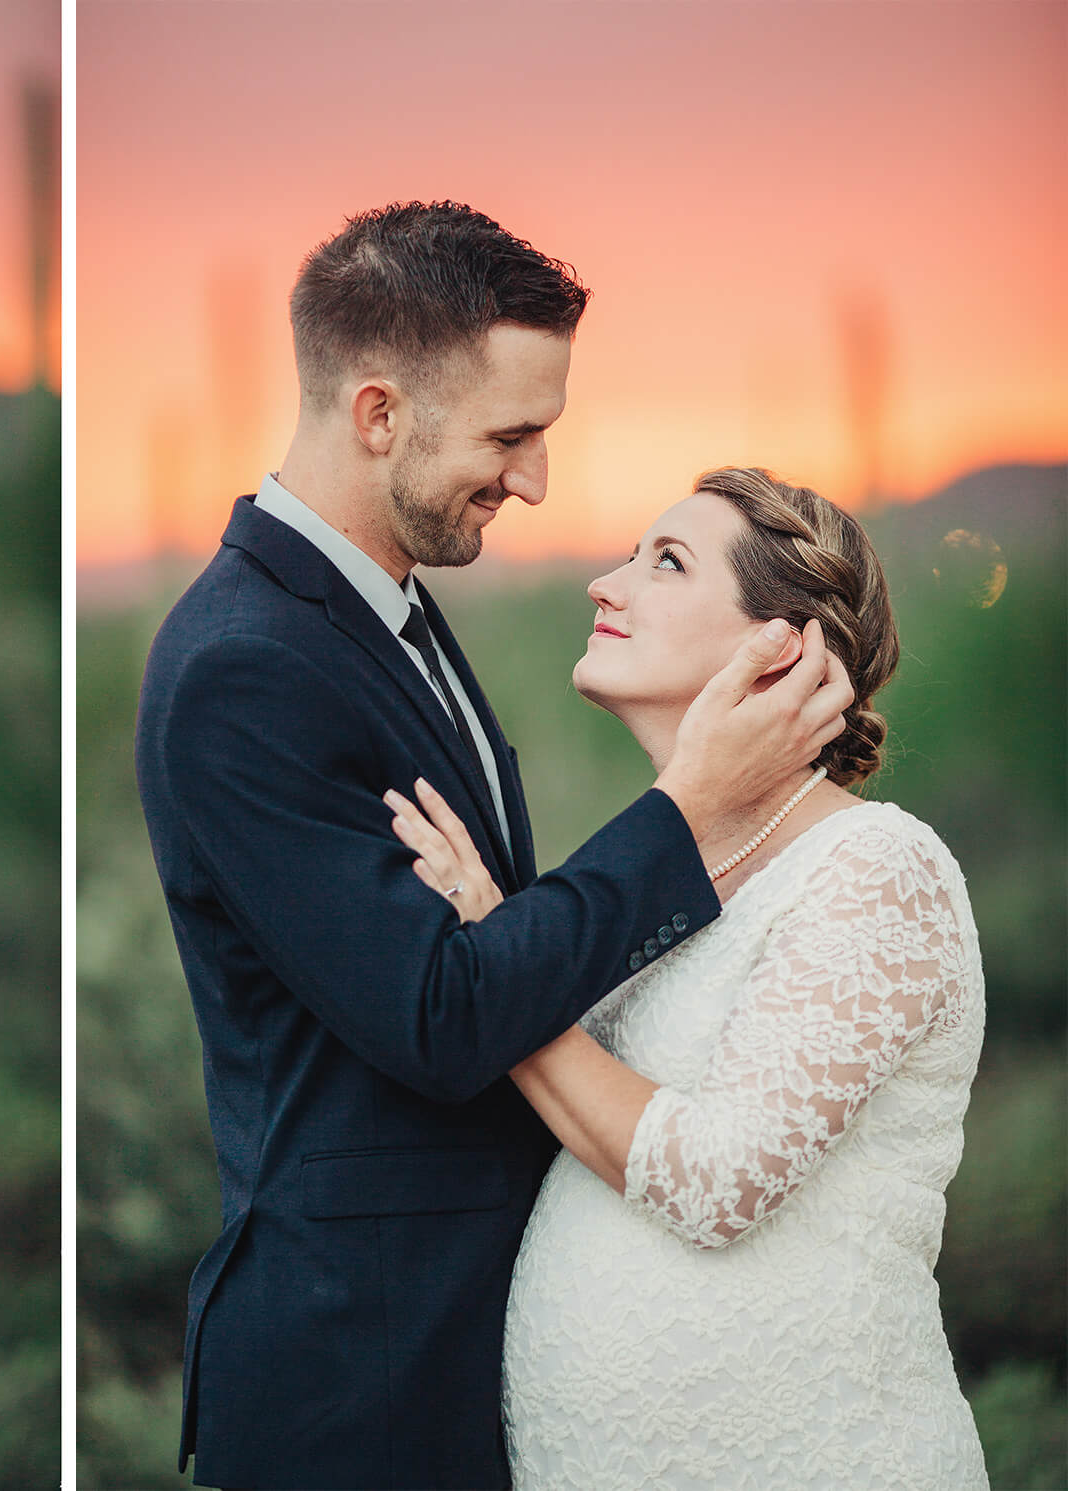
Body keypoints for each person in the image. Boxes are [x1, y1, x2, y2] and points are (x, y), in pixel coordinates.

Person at [133, 202, 855, 1491]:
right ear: (376, 415)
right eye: (510, 436)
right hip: (359, 1377)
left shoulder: (384, 609)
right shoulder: (244, 666)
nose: (531, 480)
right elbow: (438, 1018)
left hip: (471, 1351)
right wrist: (690, 808)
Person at [389, 467, 988, 1489]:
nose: (603, 586)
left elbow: (717, 1181)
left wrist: (497, 969)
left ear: (778, 647)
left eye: (663, 563)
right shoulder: (669, 874)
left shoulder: (874, 871)